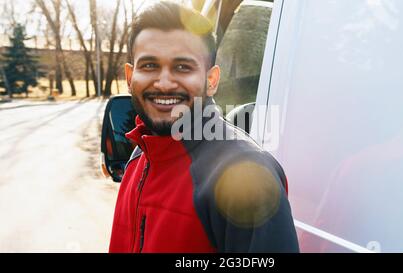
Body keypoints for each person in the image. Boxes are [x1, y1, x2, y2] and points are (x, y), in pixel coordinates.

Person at [109, 1, 299, 253]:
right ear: (130, 78)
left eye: (182, 67)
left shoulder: (246, 176)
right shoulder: (139, 157)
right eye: (150, 65)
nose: (164, 83)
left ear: (211, 81)